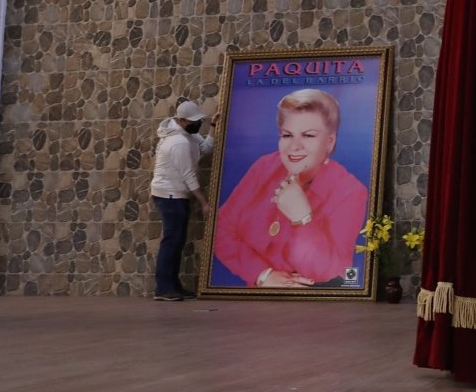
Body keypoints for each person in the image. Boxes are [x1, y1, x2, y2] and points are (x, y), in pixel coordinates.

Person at [214, 89, 369, 288]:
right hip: (253, 301)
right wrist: (264, 275)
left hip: (316, 306)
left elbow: (334, 270)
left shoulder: (350, 192)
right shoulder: (264, 167)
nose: (294, 146)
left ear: (330, 142)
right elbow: (220, 229)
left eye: (308, 135)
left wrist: (302, 219)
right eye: (287, 135)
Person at [149, 99, 216, 301]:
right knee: (172, 241)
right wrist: (204, 203)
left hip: (176, 194)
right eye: (194, 121)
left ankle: (173, 285)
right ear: (182, 121)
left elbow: (206, 149)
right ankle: (163, 287)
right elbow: (188, 175)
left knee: (177, 241)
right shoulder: (178, 142)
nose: (198, 124)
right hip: (170, 195)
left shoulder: (188, 135)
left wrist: (213, 127)